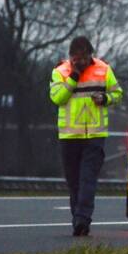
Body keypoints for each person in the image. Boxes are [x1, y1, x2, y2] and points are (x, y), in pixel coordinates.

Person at [48, 36, 122, 236]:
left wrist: (105, 98)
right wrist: (73, 77)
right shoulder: (60, 72)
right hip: (69, 137)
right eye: (75, 58)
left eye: (83, 57)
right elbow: (57, 97)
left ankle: (83, 219)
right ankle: (77, 220)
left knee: (87, 180)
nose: (79, 61)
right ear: (70, 56)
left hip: (95, 136)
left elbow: (118, 93)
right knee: (74, 182)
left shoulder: (103, 70)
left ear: (90, 55)